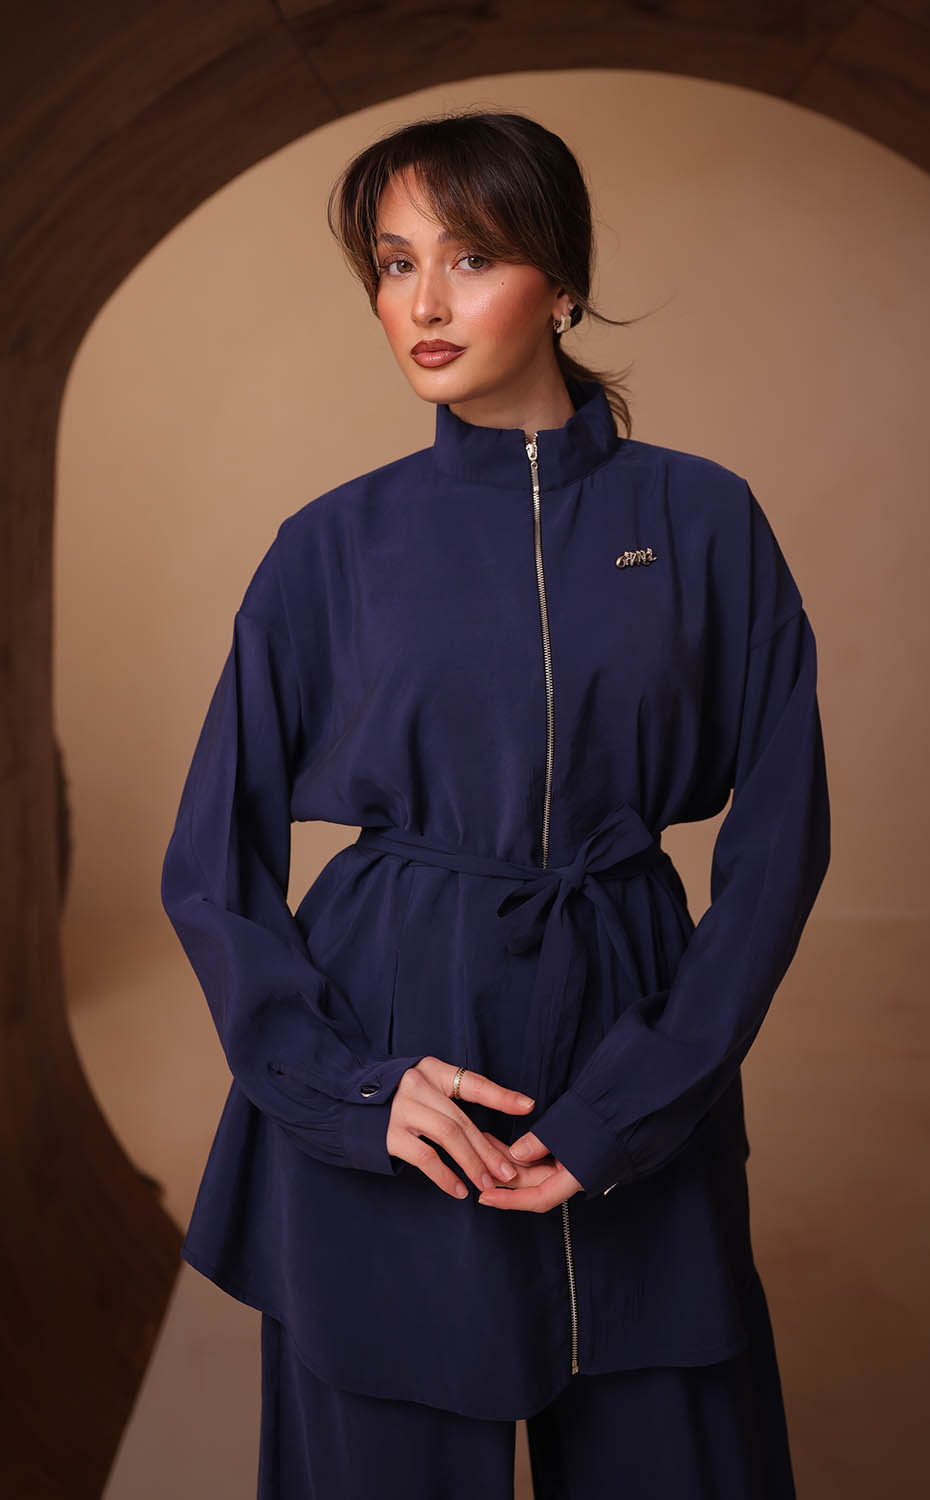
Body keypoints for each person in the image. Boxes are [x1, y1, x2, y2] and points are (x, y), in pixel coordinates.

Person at [161, 107, 831, 1498]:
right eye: (395, 264)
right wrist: (354, 1092)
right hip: (398, 1042)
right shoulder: (327, 547)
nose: (424, 303)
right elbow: (212, 866)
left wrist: (632, 1104)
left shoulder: (705, 522)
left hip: (634, 1028)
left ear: (563, 283)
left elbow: (779, 847)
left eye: (469, 258)